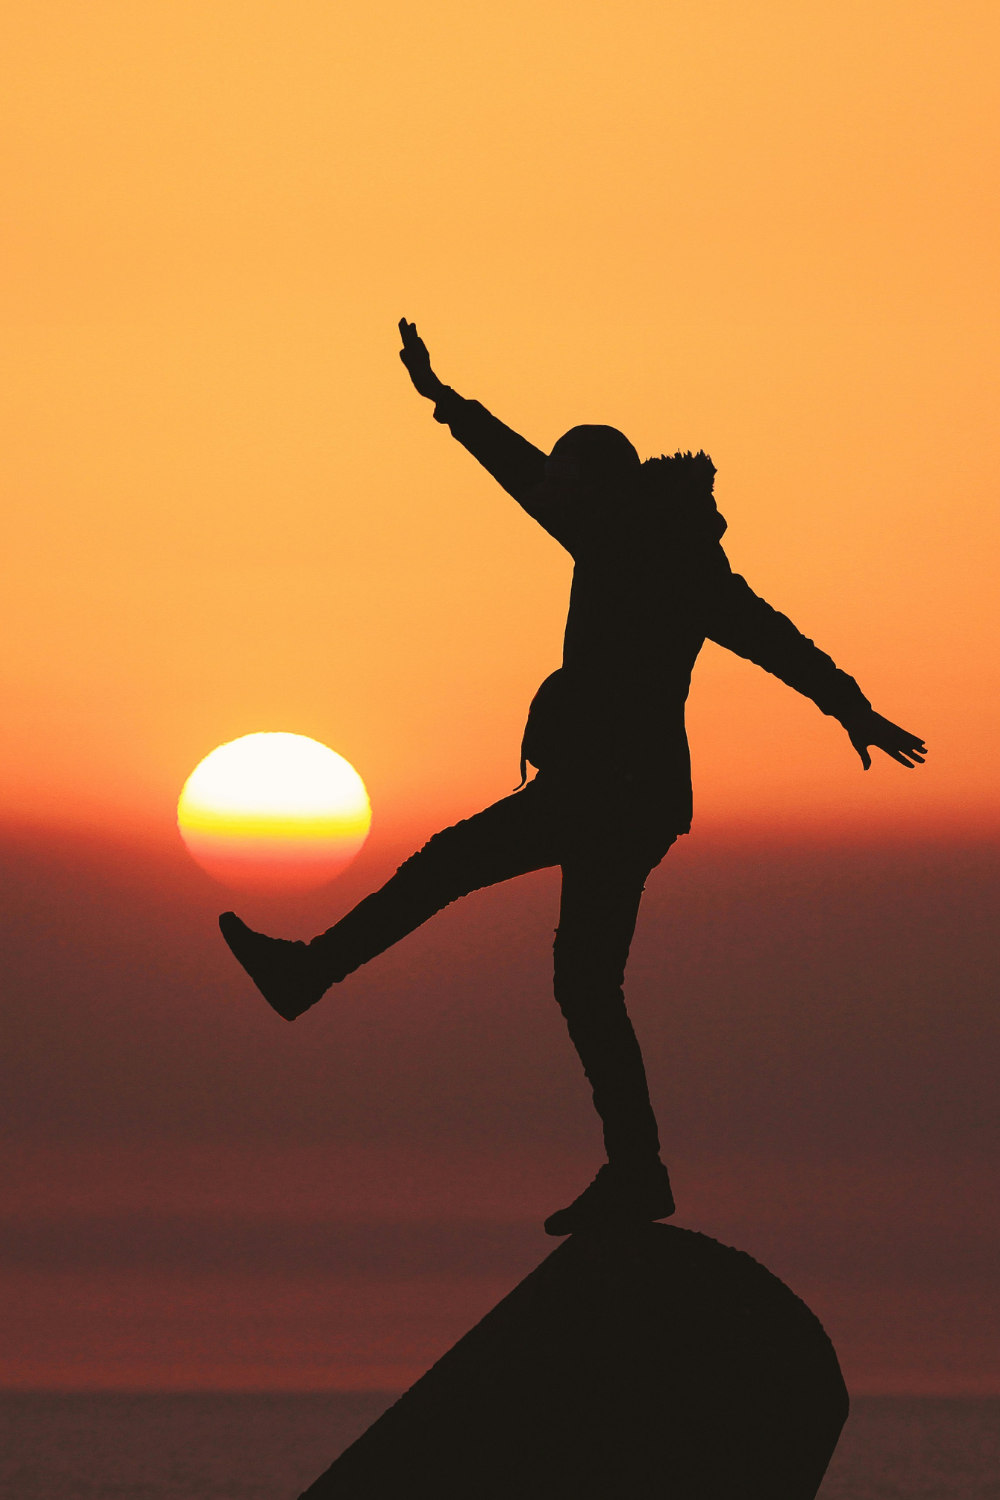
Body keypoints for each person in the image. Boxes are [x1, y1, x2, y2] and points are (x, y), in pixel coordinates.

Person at [220, 319, 926, 1235]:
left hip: (607, 792)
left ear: (595, 490)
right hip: (627, 798)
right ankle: (637, 1172)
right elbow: (531, 478)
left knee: (454, 872)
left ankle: (309, 976)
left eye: (567, 490)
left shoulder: (643, 548)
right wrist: (446, 403)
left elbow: (771, 636)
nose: (555, 504)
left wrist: (851, 705)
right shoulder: (650, 540)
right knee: (583, 981)